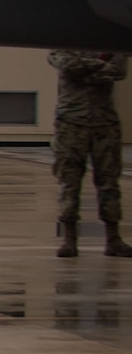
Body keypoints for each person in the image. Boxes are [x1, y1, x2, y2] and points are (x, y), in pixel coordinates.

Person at [49, 49, 131, 257]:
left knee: (109, 182)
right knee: (69, 181)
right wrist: (99, 63)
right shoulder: (62, 42)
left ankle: (113, 239)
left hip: (105, 123)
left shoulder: (110, 42)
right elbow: (66, 65)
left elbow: (118, 71)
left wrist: (83, 68)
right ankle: (69, 239)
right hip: (71, 122)